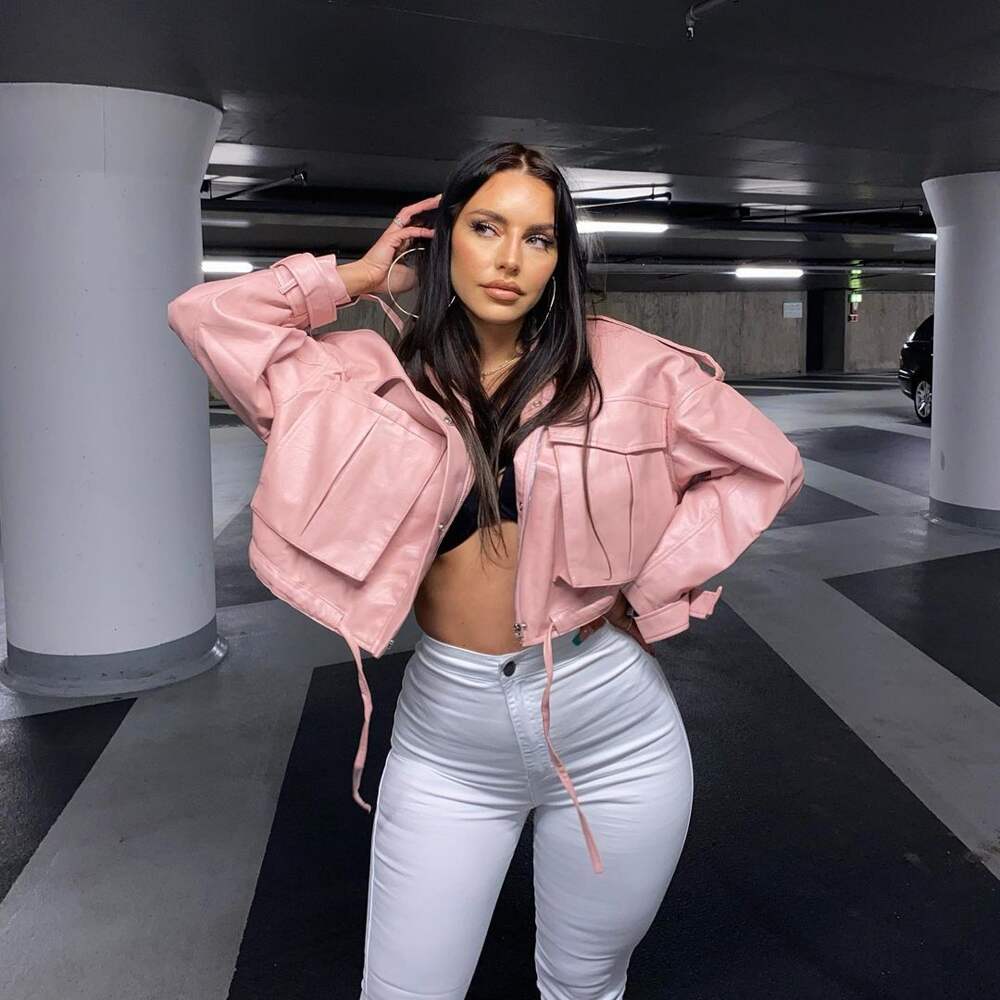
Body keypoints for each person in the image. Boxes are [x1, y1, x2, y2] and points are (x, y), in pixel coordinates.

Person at [342, 144, 695, 999]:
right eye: (486, 227)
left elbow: (762, 467)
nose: (509, 258)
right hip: (448, 743)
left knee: (584, 984)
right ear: (444, 240)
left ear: (557, 260)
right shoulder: (382, 382)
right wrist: (351, 280)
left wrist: (647, 590)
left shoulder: (611, 372)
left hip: (615, 728)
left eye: (538, 239)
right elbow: (209, 323)